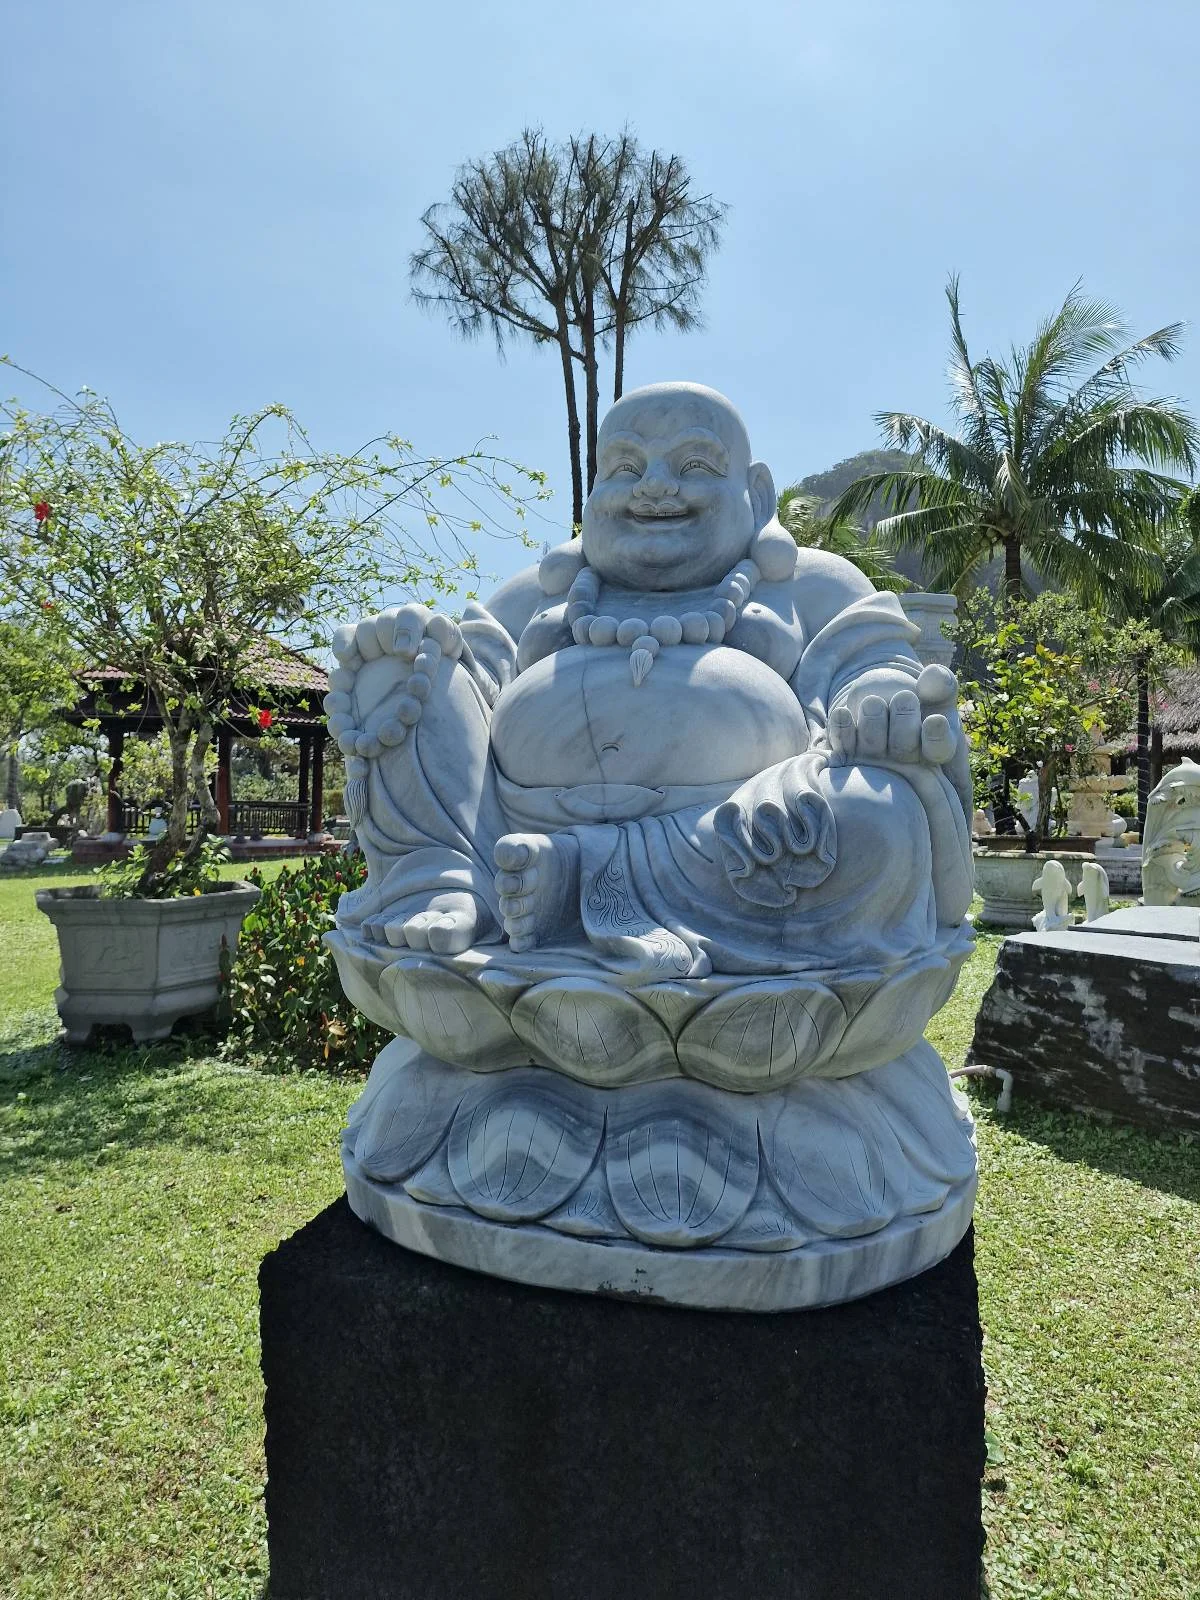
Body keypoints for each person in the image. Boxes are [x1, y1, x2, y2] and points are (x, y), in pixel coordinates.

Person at [327, 382, 973, 985]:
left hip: (741, 839)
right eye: (626, 469)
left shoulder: (812, 584)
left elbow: (877, 660)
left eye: (694, 466)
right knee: (400, 667)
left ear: (758, 494)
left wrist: (879, 697)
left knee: (877, 818)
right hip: (510, 826)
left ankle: (576, 877)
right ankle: (441, 880)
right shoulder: (538, 595)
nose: (655, 488)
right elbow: (470, 676)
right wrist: (415, 646)